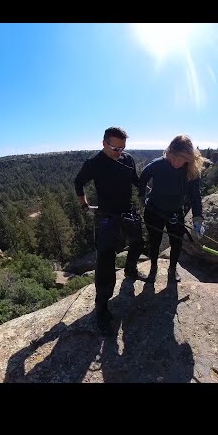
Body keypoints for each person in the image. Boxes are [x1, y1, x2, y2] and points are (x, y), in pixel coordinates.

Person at [74, 127, 147, 336]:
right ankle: (102, 309)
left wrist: (148, 190)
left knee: (137, 242)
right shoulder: (94, 164)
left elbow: (134, 179)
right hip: (106, 216)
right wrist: (84, 206)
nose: (119, 152)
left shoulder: (127, 158)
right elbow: (78, 182)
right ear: (104, 143)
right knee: (105, 261)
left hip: (127, 211)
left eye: (122, 148)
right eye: (115, 148)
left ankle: (130, 269)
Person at [138, 134, 206, 283]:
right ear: (169, 153)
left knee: (177, 242)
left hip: (175, 211)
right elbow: (143, 176)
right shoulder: (158, 164)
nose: (175, 162)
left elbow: (195, 196)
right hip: (154, 210)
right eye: (173, 157)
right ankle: (154, 266)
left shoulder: (191, 172)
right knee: (154, 241)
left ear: (188, 157)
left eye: (180, 158)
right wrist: (142, 196)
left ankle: (172, 269)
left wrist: (197, 219)